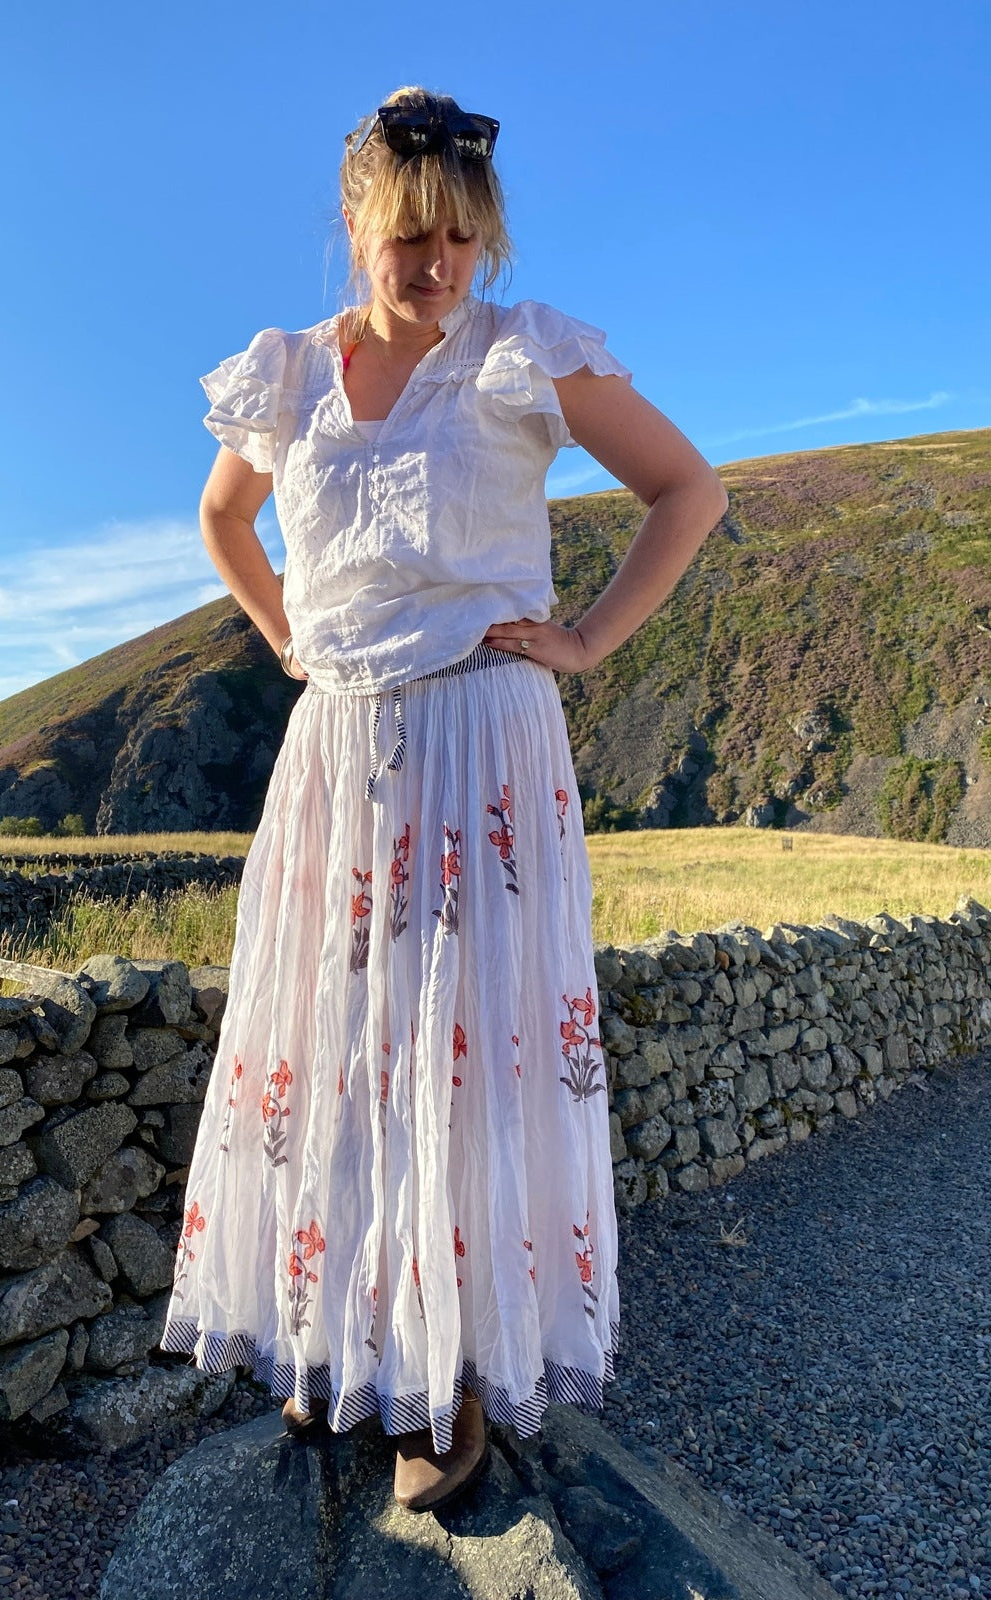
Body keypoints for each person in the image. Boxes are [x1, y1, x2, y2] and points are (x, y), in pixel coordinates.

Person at [160, 84, 729, 1514]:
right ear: (359, 224)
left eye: (461, 240)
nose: (436, 267)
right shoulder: (288, 373)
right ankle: (341, 1332)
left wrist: (589, 640)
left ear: (488, 240)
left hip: (487, 738)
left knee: (466, 1058)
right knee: (339, 1043)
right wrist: (288, 635)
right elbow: (226, 518)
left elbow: (688, 491)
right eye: (411, 235)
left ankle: (450, 1369)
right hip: (342, 748)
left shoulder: (525, 356)